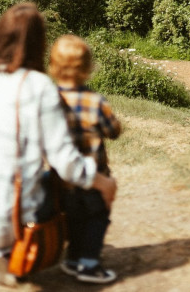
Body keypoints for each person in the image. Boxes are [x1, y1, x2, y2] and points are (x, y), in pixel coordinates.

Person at [0, 3, 116, 286]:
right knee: (56, 185)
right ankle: (7, 252)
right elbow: (65, 163)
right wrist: (102, 182)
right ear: (38, 44)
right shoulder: (39, 87)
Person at [49, 35, 121, 284]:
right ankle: (89, 265)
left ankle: (72, 258)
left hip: (63, 177)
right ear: (88, 67)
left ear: (53, 65)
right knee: (97, 218)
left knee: (72, 217)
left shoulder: (50, 100)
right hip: (94, 175)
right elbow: (113, 130)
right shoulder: (94, 101)